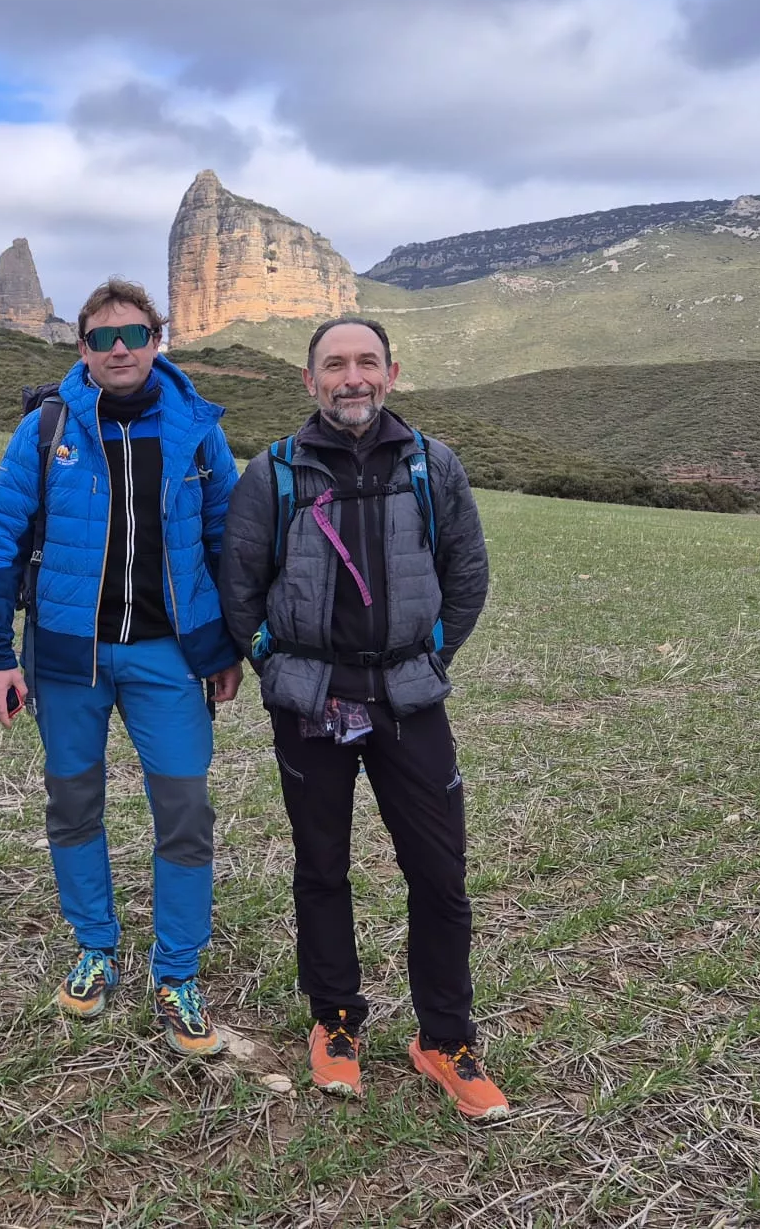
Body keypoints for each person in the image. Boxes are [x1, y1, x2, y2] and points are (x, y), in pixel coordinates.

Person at [217, 315, 508, 1119]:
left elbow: (467, 573)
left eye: (367, 362)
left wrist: (430, 656)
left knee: (440, 874)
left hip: (408, 699)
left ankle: (444, 1039)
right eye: (336, 364)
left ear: (392, 373)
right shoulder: (274, 472)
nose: (353, 378)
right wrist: (275, 663)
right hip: (311, 703)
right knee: (322, 867)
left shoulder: (431, 466)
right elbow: (240, 586)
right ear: (310, 379)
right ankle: (336, 1020)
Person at [0, 278, 243, 1057]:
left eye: (133, 335)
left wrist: (225, 646)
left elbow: (228, 542)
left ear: (158, 340)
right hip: (67, 656)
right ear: (82, 347)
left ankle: (177, 970)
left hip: (168, 655)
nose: (118, 349)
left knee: (184, 810)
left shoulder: (197, 431)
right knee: (74, 804)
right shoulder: (46, 427)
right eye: (101, 337)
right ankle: (95, 945)